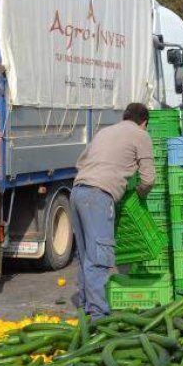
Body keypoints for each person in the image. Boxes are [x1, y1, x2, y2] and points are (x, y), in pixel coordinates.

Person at [70, 103, 156, 318]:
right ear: (144, 122)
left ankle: (85, 307)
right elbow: (148, 179)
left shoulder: (104, 131)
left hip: (78, 192)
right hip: (99, 196)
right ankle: (98, 316)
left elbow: (80, 162)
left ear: (125, 117)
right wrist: (139, 195)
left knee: (85, 255)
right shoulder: (141, 135)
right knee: (99, 257)